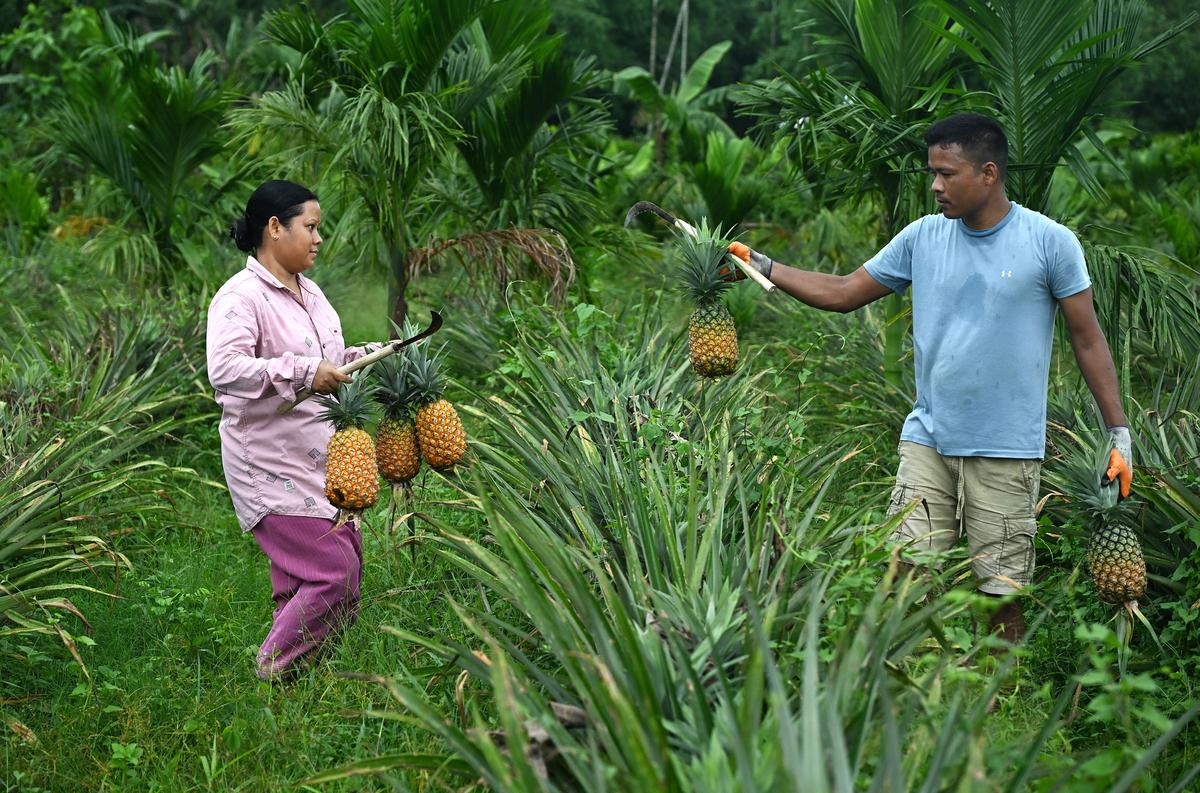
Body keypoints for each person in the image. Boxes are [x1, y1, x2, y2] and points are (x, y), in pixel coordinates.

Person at [727, 112, 1132, 643]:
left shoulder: (1049, 243)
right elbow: (846, 292)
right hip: (928, 439)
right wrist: (763, 264)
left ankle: (998, 705)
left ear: (988, 173)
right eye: (932, 174)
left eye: (948, 173)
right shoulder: (922, 238)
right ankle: (904, 696)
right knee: (902, 577)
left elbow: (1087, 339)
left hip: (1005, 449)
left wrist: (1118, 433)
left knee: (1000, 597)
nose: (936, 186)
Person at [206, 179, 369, 681]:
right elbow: (225, 369)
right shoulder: (240, 297)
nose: (320, 238)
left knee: (304, 584)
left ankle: (295, 696)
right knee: (336, 573)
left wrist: (364, 360)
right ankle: (272, 668)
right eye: (312, 227)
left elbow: (328, 364)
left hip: (319, 457)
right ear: (275, 228)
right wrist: (301, 371)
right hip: (268, 463)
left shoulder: (313, 293)